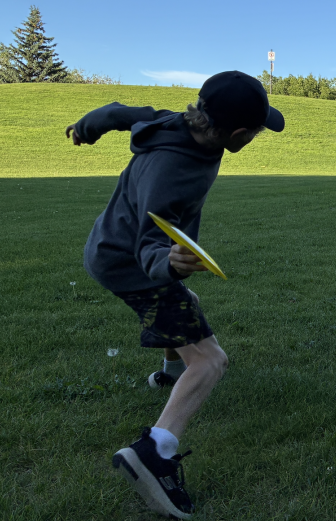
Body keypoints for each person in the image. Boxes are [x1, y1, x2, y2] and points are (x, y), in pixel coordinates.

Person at [65, 71, 284, 519]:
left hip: (109, 248)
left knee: (189, 306)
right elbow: (150, 240)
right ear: (237, 134)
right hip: (130, 263)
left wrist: (85, 128)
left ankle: (167, 376)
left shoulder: (173, 122)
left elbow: (116, 114)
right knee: (209, 360)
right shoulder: (172, 170)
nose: (258, 135)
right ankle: (154, 451)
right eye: (256, 131)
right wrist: (168, 262)